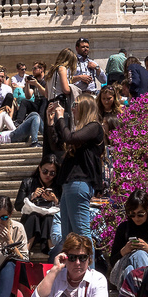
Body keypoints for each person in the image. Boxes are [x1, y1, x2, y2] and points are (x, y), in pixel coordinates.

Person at [51, 95, 106, 250]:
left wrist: (61, 117)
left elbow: (69, 137)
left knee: (82, 235)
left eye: (75, 104)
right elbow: (57, 144)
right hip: (69, 184)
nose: (72, 108)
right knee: (68, 237)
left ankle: (90, 272)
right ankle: (72, 272)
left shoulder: (95, 127)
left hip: (80, 183)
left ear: (84, 108)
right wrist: (51, 122)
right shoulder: (82, 132)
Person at [113, 191, 148, 282]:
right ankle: (147, 290)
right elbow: (112, 261)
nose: (136, 218)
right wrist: (125, 250)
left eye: (140, 214)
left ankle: (138, 291)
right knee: (131, 265)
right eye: (132, 214)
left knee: (132, 267)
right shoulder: (123, 228)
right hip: (123, 269)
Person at [20, 156, 64, 256]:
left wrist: (55, 200)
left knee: (50, 218)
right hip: (31, 221)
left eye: (52, 173)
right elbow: (18, 206)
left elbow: (65, 208)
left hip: (48, 223)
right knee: (34, 216)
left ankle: (53, 251)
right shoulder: (28, 183)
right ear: (39, 168)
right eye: (45, 171)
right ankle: (24, 251)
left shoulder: (59, 186)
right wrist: (32, 196)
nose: (48, 175)